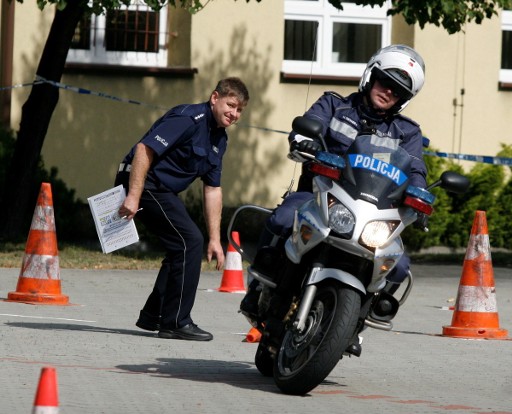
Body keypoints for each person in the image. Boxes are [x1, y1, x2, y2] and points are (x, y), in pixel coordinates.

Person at [240, 45, 428, 344]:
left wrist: (421, 195)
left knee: (399, 265)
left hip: (373, 214)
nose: (388, 92)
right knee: (282, 219)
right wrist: (305, 142)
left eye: (398, 91)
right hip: (319, 196)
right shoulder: (334, 105)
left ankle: (355, 322)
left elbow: (416, 169)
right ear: (370, 77)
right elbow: (304, 129)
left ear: (404, 100)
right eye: (385, 82)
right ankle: (259, 288)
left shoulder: (407, 133)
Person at [115, 77, 249, 341]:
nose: (234, 114)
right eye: (230, 105)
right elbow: (144, 149)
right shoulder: (189, 119)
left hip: (162, 190)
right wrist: (133, 195)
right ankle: (176, 321)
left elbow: (212, 189)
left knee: (183, 244)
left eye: (240, 110)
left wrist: (215, 239)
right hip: (145, 185)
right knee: (188, 241)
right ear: (214, 98)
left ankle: (154, 315)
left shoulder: (219, 138)